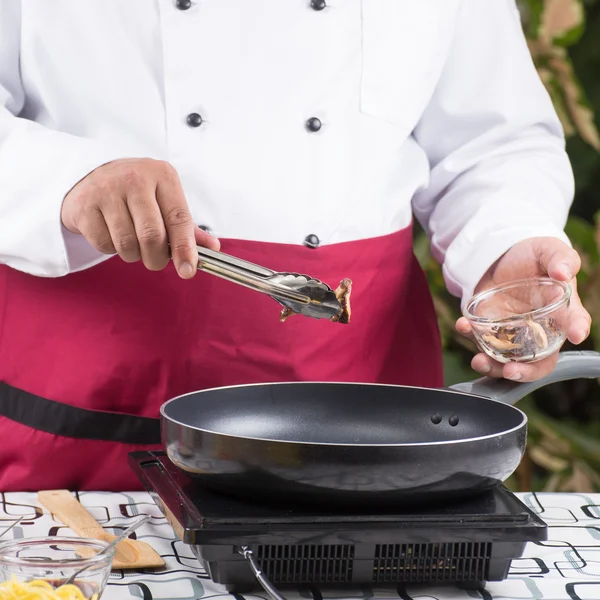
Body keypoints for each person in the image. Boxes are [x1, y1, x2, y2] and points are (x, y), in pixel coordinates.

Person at [0, 0, 591, 492]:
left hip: (353, 391)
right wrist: (67, 178)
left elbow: (489, 140)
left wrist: (506, 243)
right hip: (89, 370)